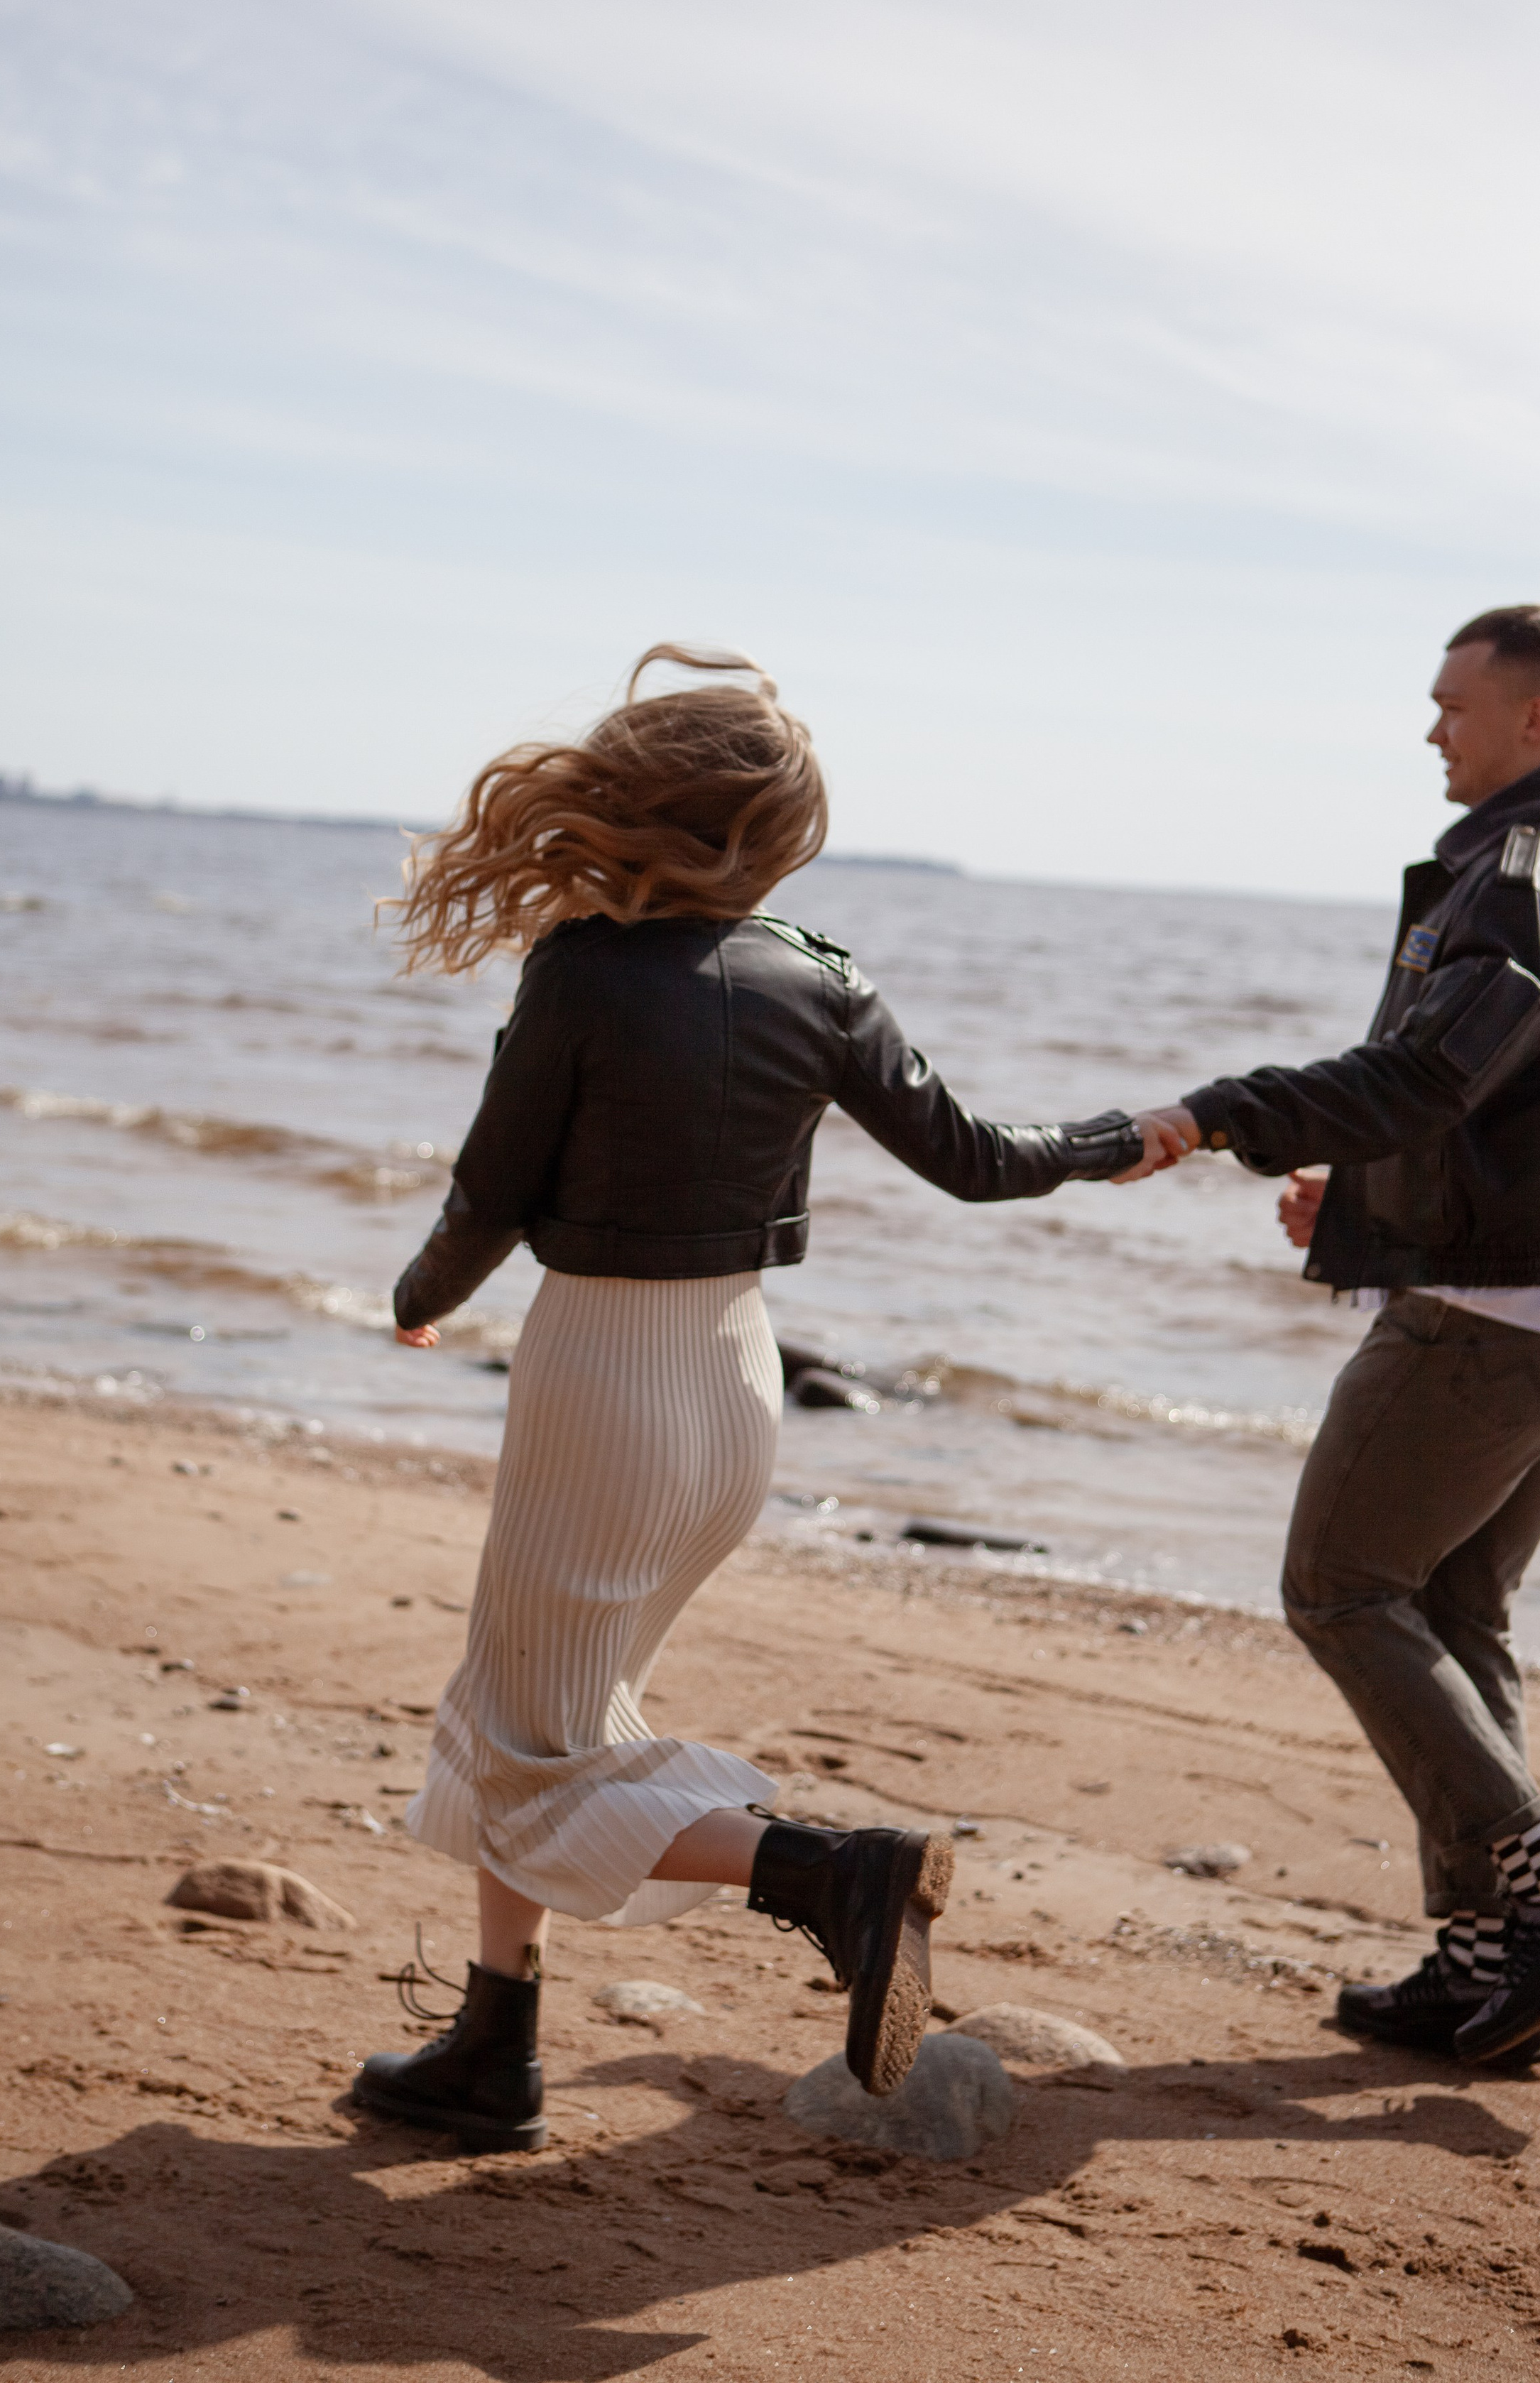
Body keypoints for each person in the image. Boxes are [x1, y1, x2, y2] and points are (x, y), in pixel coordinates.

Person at [354, 644, 1161, 2153]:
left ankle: (821, 1874)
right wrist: (1136, 1132)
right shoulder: (825, 978)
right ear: (779, 840)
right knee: (529, 1718)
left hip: (601, 1376)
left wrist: (415, 1301)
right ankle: (490, 2041)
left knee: (535, 1745)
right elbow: (978, 1157)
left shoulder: (582, 968)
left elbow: (491, 1187)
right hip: (736, 1387)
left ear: (634, 807)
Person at [1123, 606, 1540, 2066]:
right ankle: (1487, 1961)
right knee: (1452, 1616)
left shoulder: (1518, 874)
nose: (1429, 728)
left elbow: (1428, 1071)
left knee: (1341, 1589)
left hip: (1487, 1322)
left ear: (1532, 722)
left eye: (1450, 705)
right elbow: (1526, 1106)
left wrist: (1220, 1111)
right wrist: (1364, 1194)